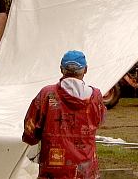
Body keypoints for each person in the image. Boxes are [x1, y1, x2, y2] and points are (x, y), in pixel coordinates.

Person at [22, 50, 107, 179]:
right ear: (85, 70)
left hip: (54, 167)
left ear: (61, 69)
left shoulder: (47, 94)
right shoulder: (96, 96)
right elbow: (99, 121)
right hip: (85, 169)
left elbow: (30, 130)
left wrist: (33, 138)